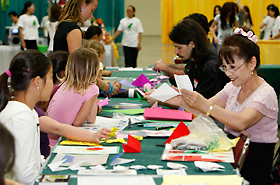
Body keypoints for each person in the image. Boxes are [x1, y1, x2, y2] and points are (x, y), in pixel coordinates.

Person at [165, 28, 278, 185]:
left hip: (255, 164)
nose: (228, 73)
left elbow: (240, 122)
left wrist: (204, 104)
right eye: (225, 67)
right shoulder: (234, 86)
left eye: (233, 67)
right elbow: (204, 108)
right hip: (230, 153)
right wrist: (180, 101)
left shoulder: (265, 94)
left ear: (252, 63)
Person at [0, 50, 110, 184]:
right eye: (51, 78)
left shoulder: (29, 112)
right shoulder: (21, 117)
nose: (54, 84)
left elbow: (33, 159)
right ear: (38, 82)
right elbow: (26, 177)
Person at [153, 18, 229, 99]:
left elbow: (201, 104)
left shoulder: (211, 66)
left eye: (179, 48)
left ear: (192, 44)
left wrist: (161, 100)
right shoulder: (196, 56)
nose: (175, 52)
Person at [47, 48, 102, 146]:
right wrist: (95, 91)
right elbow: (85, 120)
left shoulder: (65, 83)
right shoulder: (91, 89)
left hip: (48, 137)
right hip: (58, 141)